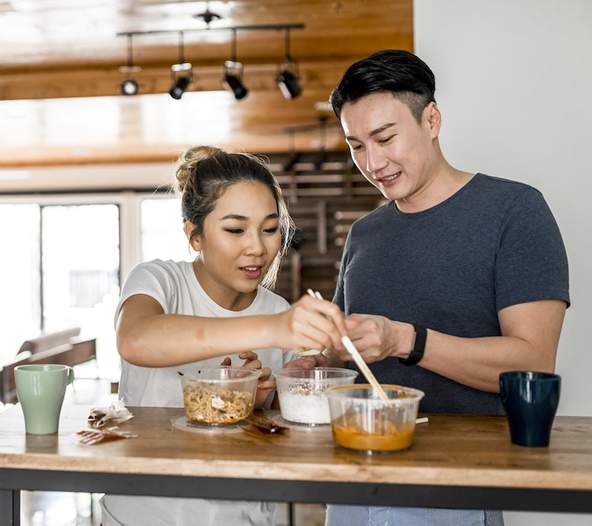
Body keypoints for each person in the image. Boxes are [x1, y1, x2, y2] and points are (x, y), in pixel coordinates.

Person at [296, 49, 570, 526]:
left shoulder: (515, 210)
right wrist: (314, 362)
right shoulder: (364, 233)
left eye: (384, 138)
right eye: (356, 145)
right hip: (354, 474)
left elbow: (532, 363)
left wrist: (407, 340)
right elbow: (350, 351)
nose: (372, 162)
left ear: (432, 120)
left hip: (458, 482)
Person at [100, 146, 347, 526]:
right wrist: (273, 329)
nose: (258, 247)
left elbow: (279, 434)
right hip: (147, 514)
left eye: (269, 229)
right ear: (194, 235)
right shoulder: (160, 281)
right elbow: (135, 340)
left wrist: (272, 397)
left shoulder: (279, 309)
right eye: (235, 229)